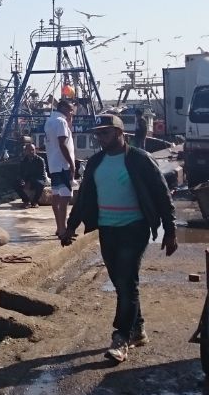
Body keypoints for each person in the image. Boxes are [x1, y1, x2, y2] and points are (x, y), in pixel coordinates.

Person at [61, 113, 178, 364]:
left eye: (105, 133)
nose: (100, 138)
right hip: (107, 229)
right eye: (98, 134)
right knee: (122, 284)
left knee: (126, 282)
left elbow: (162, 194)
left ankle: (121, 337)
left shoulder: (139, 159)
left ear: (119, 133)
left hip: (134, 229)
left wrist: (170, 231)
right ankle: (138, 329)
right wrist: (71, 226)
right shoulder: (96, 162)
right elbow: (84, 197)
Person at [44, 98, 76, 238]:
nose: (72, 113)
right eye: (71, 110)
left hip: (53, 164)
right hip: (63, 165)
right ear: (64, 109)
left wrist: (70, 122)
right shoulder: (61, 122)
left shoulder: (50, 121)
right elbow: (62, 143)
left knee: (56, 196)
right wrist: (72, 164)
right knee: (65, 197)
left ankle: (59, 227)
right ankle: (63, 229)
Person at [13, 141, 47, 207]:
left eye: (33, 150)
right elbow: (21, 173)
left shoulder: (40, 160)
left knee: (40, 183)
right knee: (15, 184)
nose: (31, 151)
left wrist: (30, 181)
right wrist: (22, 180)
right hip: (28, 180)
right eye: (29, 150)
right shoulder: (23, 161)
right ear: (25, 151)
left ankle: (35, 201)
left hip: (38, 179)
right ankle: (26, 201)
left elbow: (42, 175)